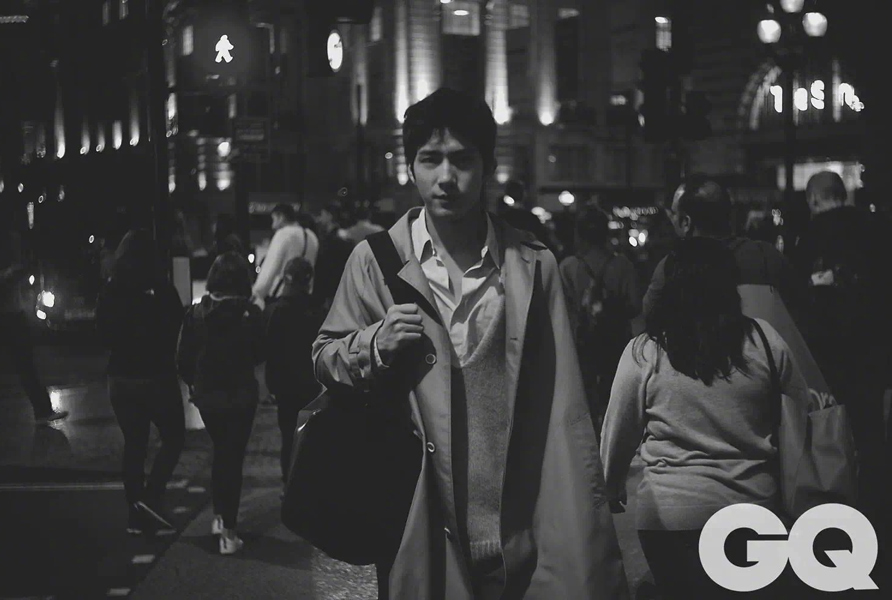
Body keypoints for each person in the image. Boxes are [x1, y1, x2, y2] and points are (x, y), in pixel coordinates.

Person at [312, 87, 628, 599]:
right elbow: (324, 357)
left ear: (487, 165)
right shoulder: (375, 261)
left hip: (523, 528)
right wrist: (374, 344)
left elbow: (565, 406)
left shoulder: (533, 264)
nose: (446, 177)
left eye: (462, 159)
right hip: (420, 522)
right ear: (410, 167)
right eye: (430, 160)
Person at [601, 237, 809, 599]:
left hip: (669, 519)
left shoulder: (645, 352)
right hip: (753, 512)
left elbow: (618, 431)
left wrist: (611, 483)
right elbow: (802, 412)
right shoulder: (764, 340)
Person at [791, 170, 892, 543]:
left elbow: (796, 294)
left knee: (829, 433)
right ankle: (877, 509)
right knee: (870, 430)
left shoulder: (811, 237)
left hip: (826, 352)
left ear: (815, 199)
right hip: (873, 349)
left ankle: (836, 511)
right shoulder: (877, 228)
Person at [95, 229, 186, 535]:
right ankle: (152, 495)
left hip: (120, 376)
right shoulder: (161, 287)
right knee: (173, 437)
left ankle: (135, 513)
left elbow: (103, 335)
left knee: (135, 444)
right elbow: (176, 325)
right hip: (155, 375)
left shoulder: (111, 289)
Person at [176, 251, 266, 555]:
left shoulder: (196, 314)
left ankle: (218, 516)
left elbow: (182, 359)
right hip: (240, 395)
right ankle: (229, 532)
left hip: (208, 397)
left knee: (220, 452)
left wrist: (193, 384)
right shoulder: (251, 315)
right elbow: (259, 353)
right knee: (232, 458)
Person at [644, 177, 806, 324]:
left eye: (674, 214)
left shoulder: (670, 268)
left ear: (686, 222)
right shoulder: (766, 256)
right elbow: (798, 307)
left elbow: (650, 318)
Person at [559, 205, 643, 439]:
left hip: (581, 343)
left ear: (578, 234)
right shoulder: (623, 265)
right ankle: (611, 441)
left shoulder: (568, 267)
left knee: (584, 396)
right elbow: (635, 306)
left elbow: (562, 312)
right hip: (616, 342)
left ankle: (587, 443)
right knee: (612, 395)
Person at [0, 209, 68, 425]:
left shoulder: (9, 241)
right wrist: (6, 276)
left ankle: (43, 410)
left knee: (24, 363)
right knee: (24, 363)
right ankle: (42, 411)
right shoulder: (7, 242)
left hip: (9, 311)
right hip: (6, 311)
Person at [263, 257, 323, 483]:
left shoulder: (275, 311)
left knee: (288, 435)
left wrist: (270, 384)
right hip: (310, 382)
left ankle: (288, 483)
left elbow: (269, 351)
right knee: (308, 435)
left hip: (284, 385)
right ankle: (304, 482)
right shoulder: (316, 311)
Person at [251, 204, 319, 307]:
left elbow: (270, 268)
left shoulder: (283, 234)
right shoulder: (312, 236)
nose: (273, 226)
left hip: (282, 297)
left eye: (274, 219)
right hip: (305, 296)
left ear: (281, 217)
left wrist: (257, 293)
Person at [313, 200, 355, 311]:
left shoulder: (334, 237)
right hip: (339, 287)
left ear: (329, 216)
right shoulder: (343, 235)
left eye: (322, 215)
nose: (320, 218)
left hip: (331, 288)